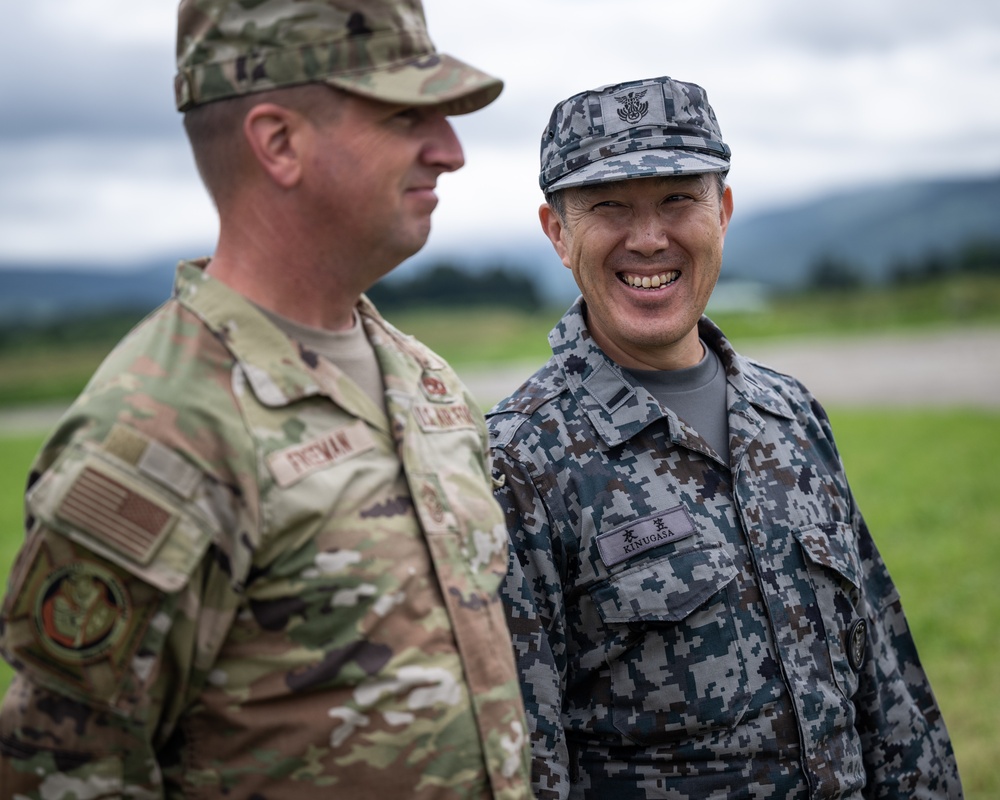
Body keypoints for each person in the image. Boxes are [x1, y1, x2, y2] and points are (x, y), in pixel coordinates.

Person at [0, 1, 532, 797]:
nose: (450, 151)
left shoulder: (423, 381)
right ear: (279, 142)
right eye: (405, 116)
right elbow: (68, 774)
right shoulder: (158, 434)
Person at [487, 75, 963, 799]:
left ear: (724, 212)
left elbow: (887, 688)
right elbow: (523, 762)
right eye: (609, 206)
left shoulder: (789, 414)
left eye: (679, 198)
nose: (649, 238)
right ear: (558, 233)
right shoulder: (519, 462)